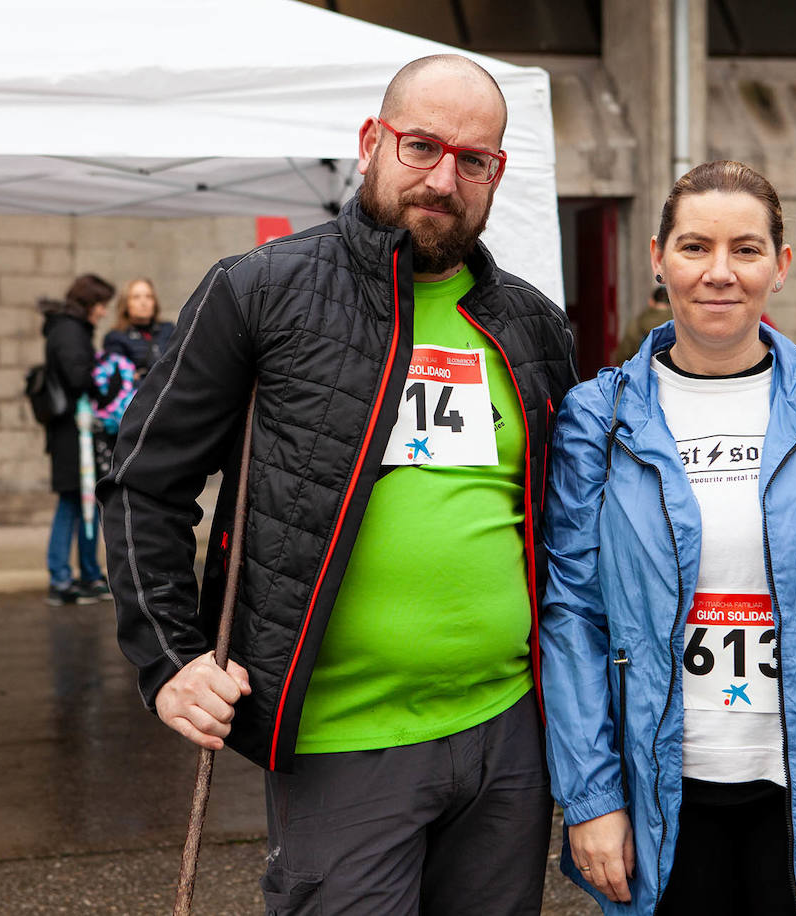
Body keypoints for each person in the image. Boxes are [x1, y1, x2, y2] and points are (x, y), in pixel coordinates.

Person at [100, 54, 577, 913]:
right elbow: (144, 483)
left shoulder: (534, 327)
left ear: (498, 174)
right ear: (370, 142)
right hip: (342, 744)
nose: (445, 177)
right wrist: (168, 659)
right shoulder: (259, 292)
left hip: (509, 739)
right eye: (422, 145)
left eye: (475, 160)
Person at [540, 160, 796, 915]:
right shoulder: (598, 418)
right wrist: (591, 797)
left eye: (746, 249)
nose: (719, 273)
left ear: (781, 266)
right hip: (663, 784)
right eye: (695, 248)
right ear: (657, 258)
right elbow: (572, 617)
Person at [40, 274, 115, 606]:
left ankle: (87, 574)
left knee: (83, 502)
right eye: (101, 306)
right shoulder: (70, 331)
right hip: (72, 433)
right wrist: (105, 382)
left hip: (73, 431)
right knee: (72, 503)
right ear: (88, 304)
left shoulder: (68, 328)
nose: (102, 313)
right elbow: (78, 377)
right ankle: (61, 579)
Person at [102, 277, 174, 383]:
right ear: (126, 304)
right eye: (136, 297)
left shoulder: (168, 329)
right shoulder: (116, 337)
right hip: (140, 395)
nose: (143, 302)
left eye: (149, 297)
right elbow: (119, 377)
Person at [610, 285, 671, 365]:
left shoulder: (637, 323)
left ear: (651, 301)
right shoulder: (680, 324)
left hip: (641, 373)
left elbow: (623, 356)